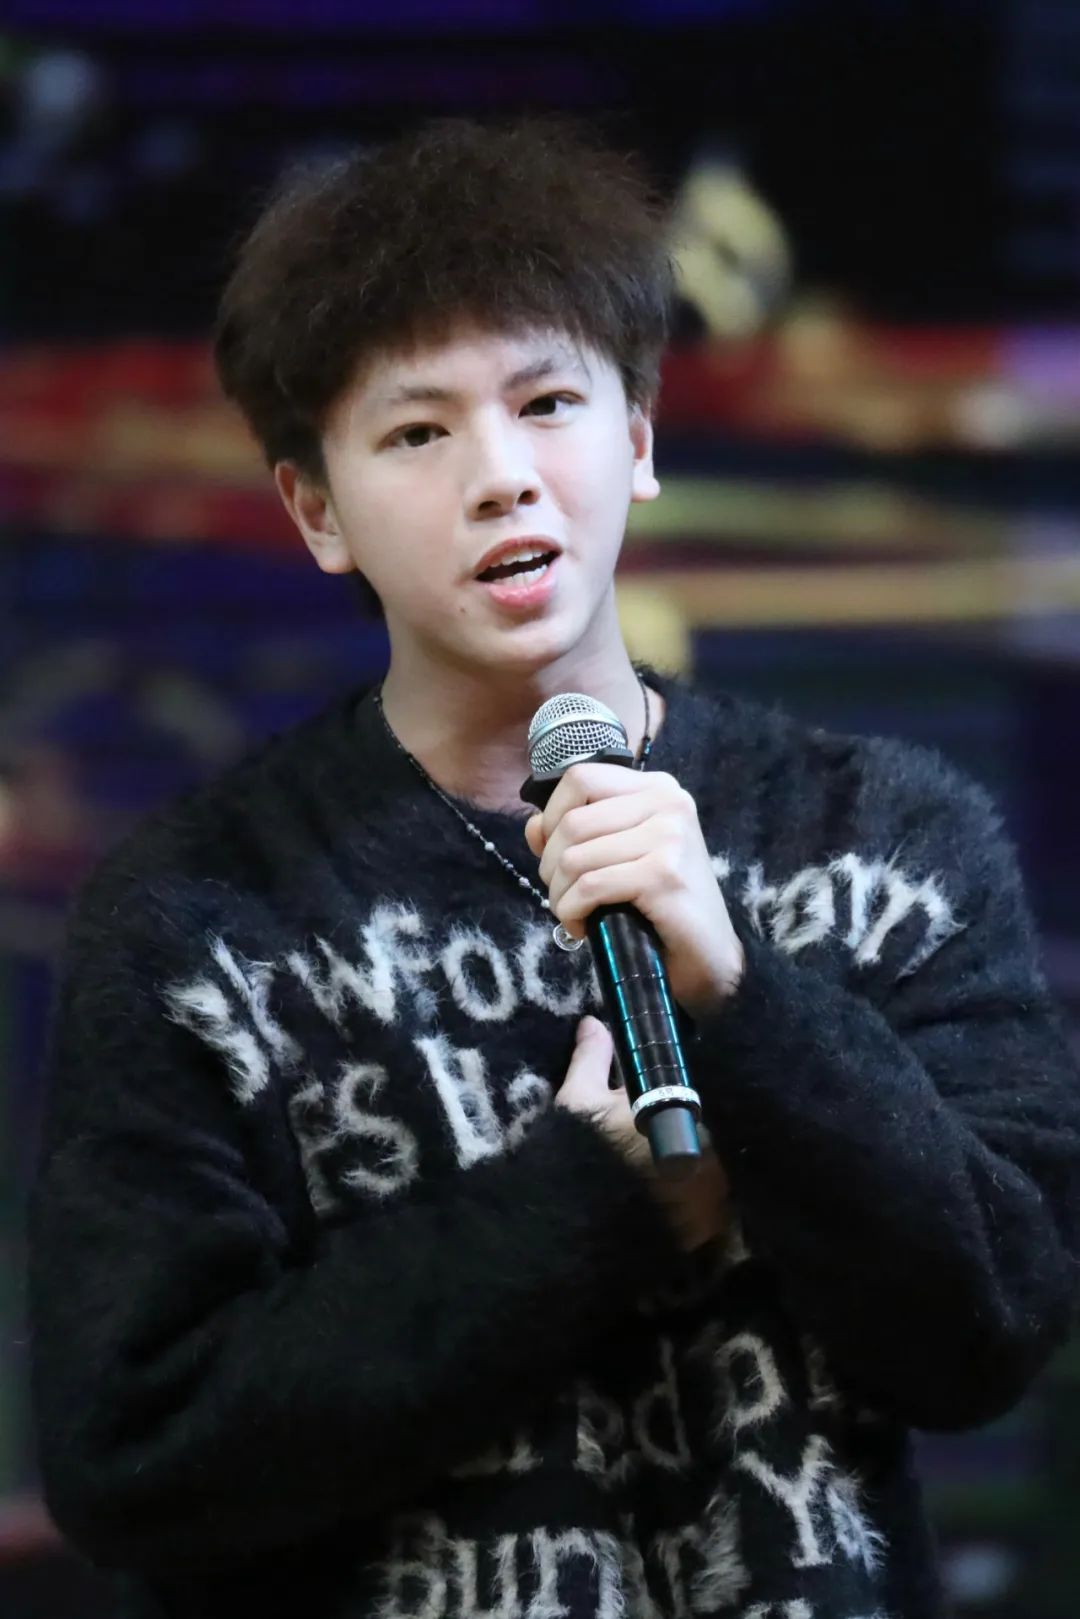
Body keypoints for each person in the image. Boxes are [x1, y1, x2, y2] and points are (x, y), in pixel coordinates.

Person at [27, 113, 1080, 1619]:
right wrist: (591, 1200)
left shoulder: (886, 841)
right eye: (419, 433)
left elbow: (990, 1334)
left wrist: (744, 1000)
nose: (503, 477)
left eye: (548, 403)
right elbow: (138, 1462)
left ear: (638, 441)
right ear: (315, 511)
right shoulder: (201, 920)